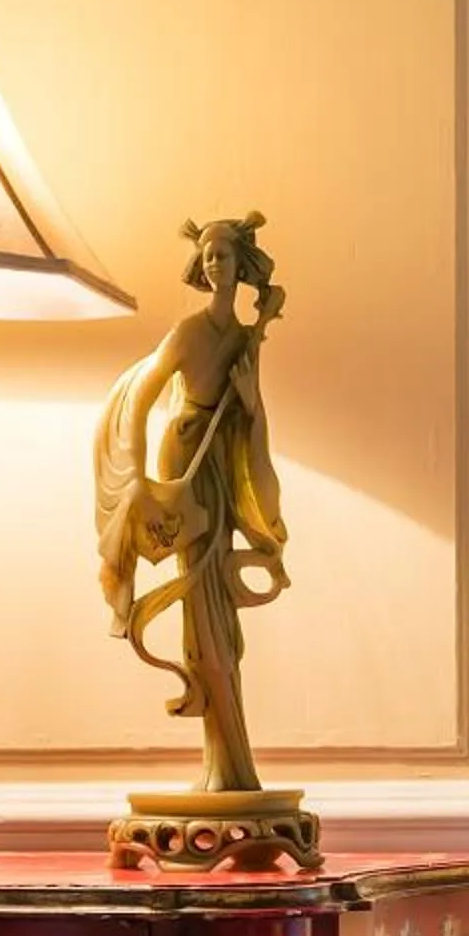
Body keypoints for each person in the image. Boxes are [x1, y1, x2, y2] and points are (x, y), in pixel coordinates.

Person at [93, 213, 291, 793]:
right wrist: (134, 477)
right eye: (206, 257)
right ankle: (226, 763)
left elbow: (247, 417)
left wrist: (251, 402)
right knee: (201, 604)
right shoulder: (189, 333)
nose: (213, 264)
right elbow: (139, 399)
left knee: (219, 612)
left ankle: (227, 767)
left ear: (239, 266)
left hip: (223, 468)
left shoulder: (244, 337)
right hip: (185, 461)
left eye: (222, 256)